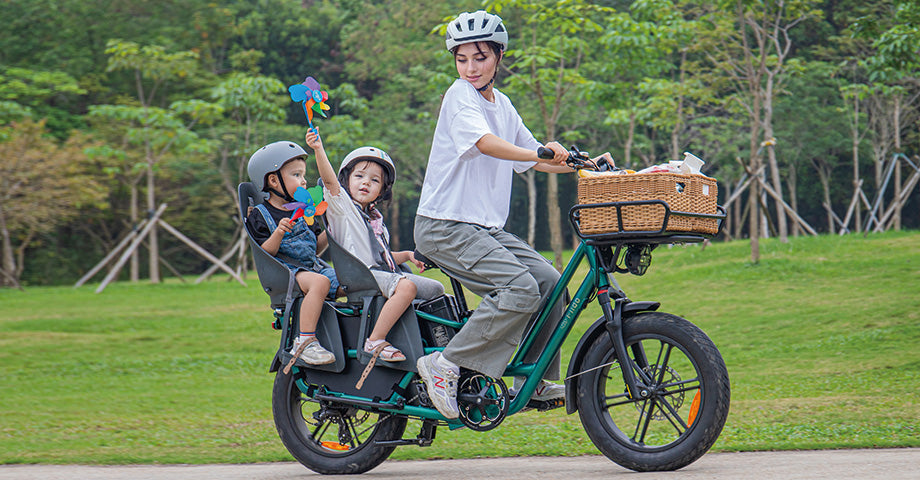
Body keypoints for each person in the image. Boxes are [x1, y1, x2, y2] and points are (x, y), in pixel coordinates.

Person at [413, 10, 613, 419]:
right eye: (462, 58)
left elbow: (537, 160)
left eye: (480, 57)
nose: (470, 67)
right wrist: (539, 151)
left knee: (550, 284)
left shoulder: (502, 104)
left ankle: (532, 379)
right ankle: (445, 365)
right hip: (444, 225)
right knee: (520, 289)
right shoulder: (459, 97)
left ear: (499, 57)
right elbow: (487, 144)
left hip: (482, 229)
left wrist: (585, 163)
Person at [307, 128, 445, 363]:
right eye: (359, 176)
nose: (365, 183)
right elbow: (329, 181)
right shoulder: (343, 209)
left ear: (382, 190)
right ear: (346, 180)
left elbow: (382, 256)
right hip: (360, 277)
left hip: (379, 272)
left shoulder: (374, 219)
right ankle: (375, 340)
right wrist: (319, 149)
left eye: (374, 180)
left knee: (435, 290)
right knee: (406, 288)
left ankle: (425, 342)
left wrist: (409, 255)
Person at [246, 141, 341, 365]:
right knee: (319, 283)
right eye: (297, 175)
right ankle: (305, 341)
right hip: (286, 272)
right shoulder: (261, 214)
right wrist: (278, 233)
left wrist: (330, 229)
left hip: (312, 268)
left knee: (352, 280)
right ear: (273, 180)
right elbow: (265, 254)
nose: (304, 181)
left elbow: (315, 249)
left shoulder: (304, 210)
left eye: (303, 175)